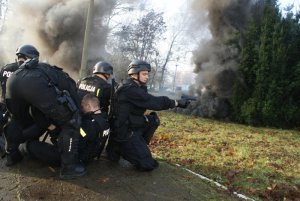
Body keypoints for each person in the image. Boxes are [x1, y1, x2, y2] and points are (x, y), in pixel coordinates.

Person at [4, 44, 86, 179]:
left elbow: (37, 111)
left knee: (15, 118)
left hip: (13, 83)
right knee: (72, 121)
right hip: (34, 84)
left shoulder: (16, 70)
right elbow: (70, 110)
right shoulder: (59, 77)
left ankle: (11, 156)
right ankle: (69, 168)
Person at [106, 59, 190, 171]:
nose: (147, 77)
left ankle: (136, 145)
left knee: (152, 120)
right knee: (148, 164)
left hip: (129, 126)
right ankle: (122, 148)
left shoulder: (135, 87)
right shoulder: (129, 90)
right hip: (124, 133)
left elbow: (148, 99)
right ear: (134, 74)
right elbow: (153, 102)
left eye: (147, 74)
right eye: (144, 74)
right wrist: (176, 103)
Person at [25, 93, 110, 165]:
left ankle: (26, 146)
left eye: (82, 106)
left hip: (78, 158)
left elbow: (74, 143)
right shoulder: (104, 119)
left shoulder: (89, 124)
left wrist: (56, 132)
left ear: (88, 106)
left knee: (35, 146)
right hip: (91, 154)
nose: (81, 109)